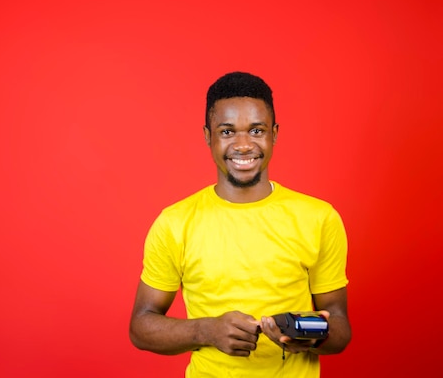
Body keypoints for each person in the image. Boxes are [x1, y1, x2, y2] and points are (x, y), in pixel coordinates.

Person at [129, 71, 351, 377]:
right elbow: (141, 326)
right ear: (208, 136)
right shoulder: (174, 223)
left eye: (257, 131)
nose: (244, 145)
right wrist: (207, 331)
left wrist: (308, 338)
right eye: (228, 131)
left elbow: (340, 328)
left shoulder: (320, 217)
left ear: (274, 133)